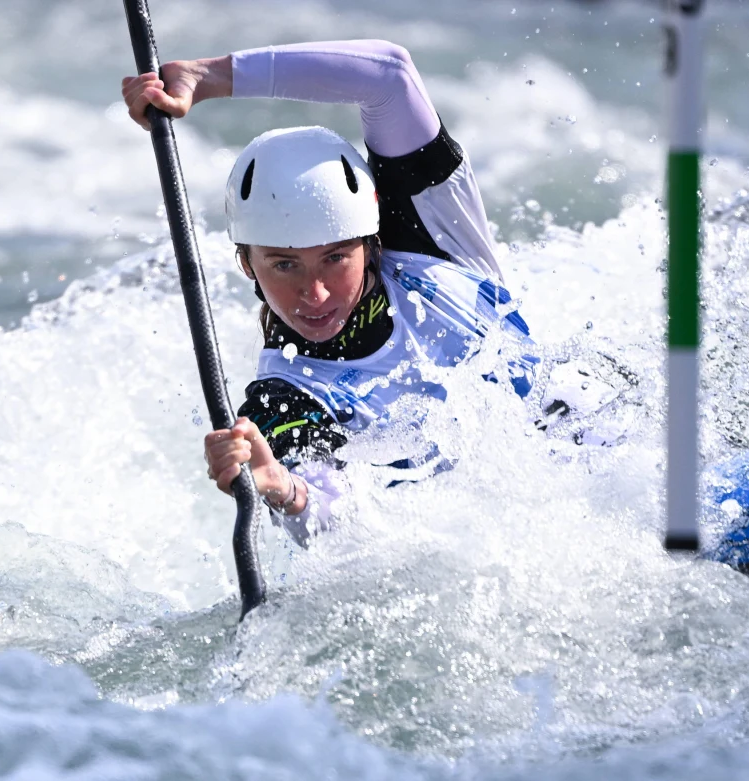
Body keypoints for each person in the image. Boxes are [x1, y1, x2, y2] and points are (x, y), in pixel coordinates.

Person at [122, 39, 536, 543]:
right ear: (247, 264)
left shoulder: (435, 236)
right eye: (284, 264)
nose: (314, 293)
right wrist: (281, 488)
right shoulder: (284, 400)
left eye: (335, 258)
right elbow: (341, 523)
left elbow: (387, 74)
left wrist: (207, 78)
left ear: (369, 241)